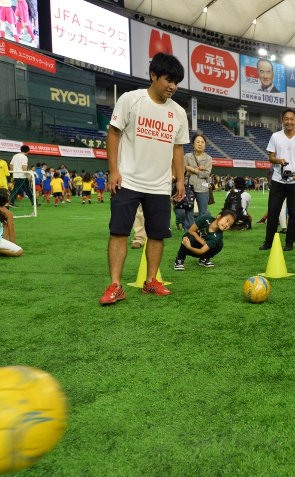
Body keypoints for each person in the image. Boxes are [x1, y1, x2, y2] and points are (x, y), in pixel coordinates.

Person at [99, 52, 189, 305]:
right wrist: (114, 170)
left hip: (160, 185)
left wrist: (179, 180)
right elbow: (114, 134)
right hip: (127, 180)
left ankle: (151, 281)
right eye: (168, 80)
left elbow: (178, 148)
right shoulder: (131, 100)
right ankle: (115, 285)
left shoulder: (179, 112)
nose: (173, 86)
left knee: (157, 234)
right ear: (153, 76)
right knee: (119, 232)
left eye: (176, 82)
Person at [259, 108, 295, 252]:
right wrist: (278, 160)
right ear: (282, 120)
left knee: (294, 213)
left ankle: (290, 242)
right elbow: (270, 157)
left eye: (291, 119)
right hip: (278, 180)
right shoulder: (275, 136)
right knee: (273, 211)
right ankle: (269, 241)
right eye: (286, 119)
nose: (289, 121)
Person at [184, 133, 213, 218]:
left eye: (202, 142)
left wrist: (192, 170)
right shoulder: (187, 156)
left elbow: (206, 174)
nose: (200, 144)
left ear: (205, 145)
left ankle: (201, 229)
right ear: (193, 144)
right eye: (198, 142)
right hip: (188, 186)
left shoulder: (208, 158)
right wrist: (197, 170)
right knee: (188, 211)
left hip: (203, 188)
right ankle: (189, 230)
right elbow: (184, 171)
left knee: (203, 211)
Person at [0, 192, 22, 257]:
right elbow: (11, 232)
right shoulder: (7, 213)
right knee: (19, 251)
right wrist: (14, 246)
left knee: (5, 226)